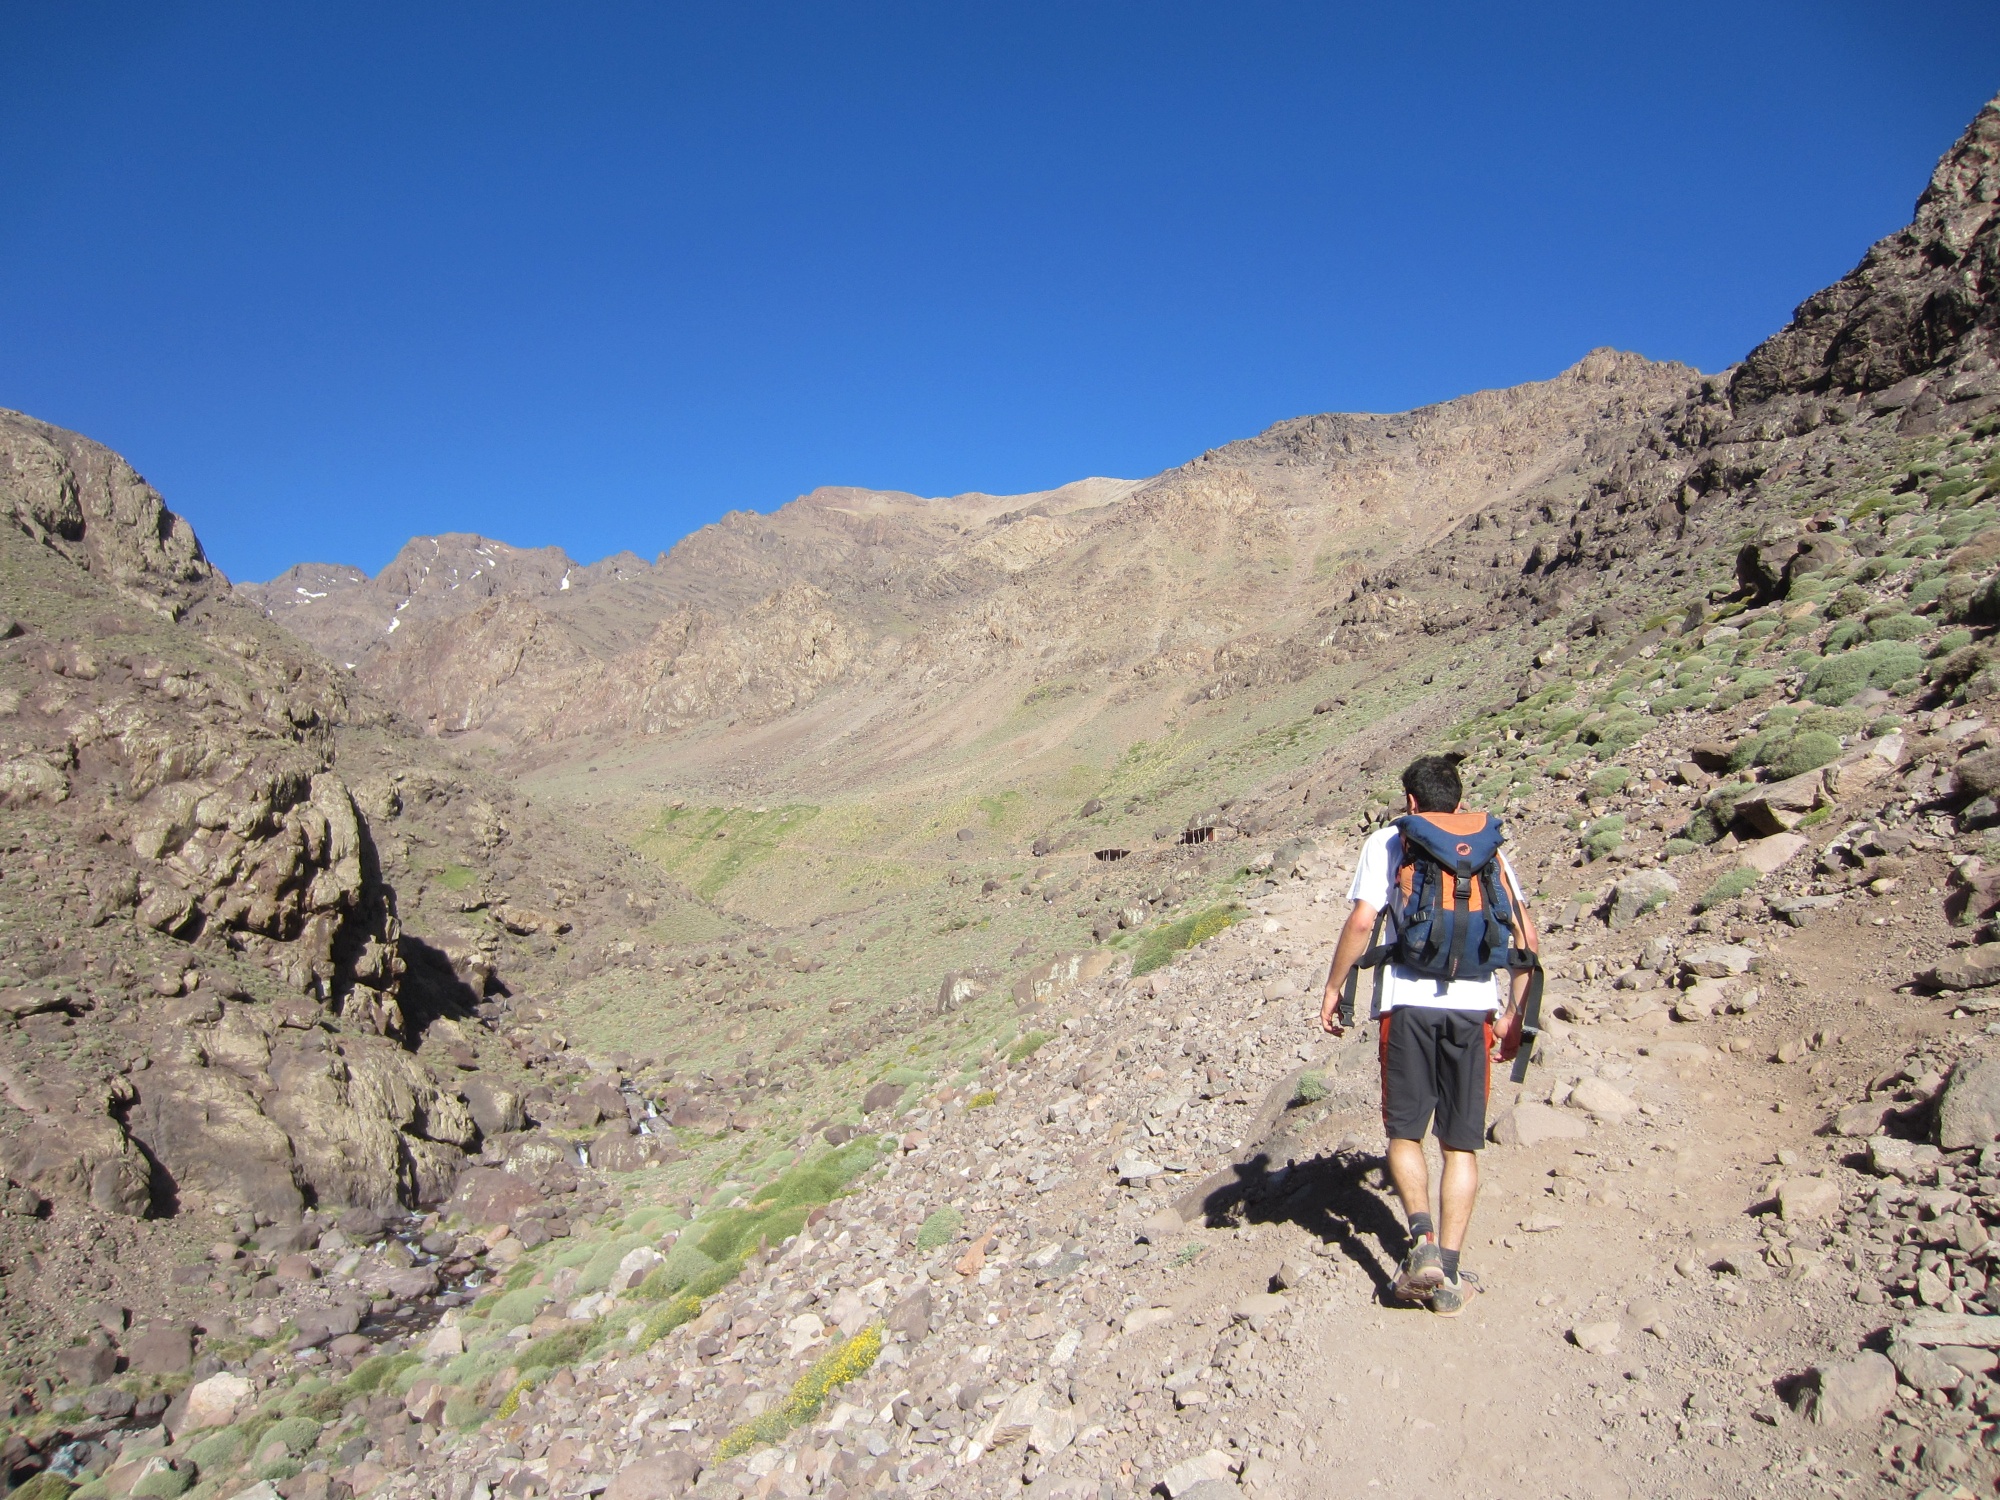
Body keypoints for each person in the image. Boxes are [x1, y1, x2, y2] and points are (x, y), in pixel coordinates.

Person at [1318, 753, 1537, 1317]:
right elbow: (1524, 933)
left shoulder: (1390, 842)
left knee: (1405, 1131)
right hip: (1474, 1007)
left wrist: (1334, 987)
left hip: (1406, 1005)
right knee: (1460, 1144)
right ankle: (1452, 1274)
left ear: (1410, 802)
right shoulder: (1489, 847)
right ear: (1461, 802)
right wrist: (1516, 1010)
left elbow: (1364, 921)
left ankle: (1421, 1245)